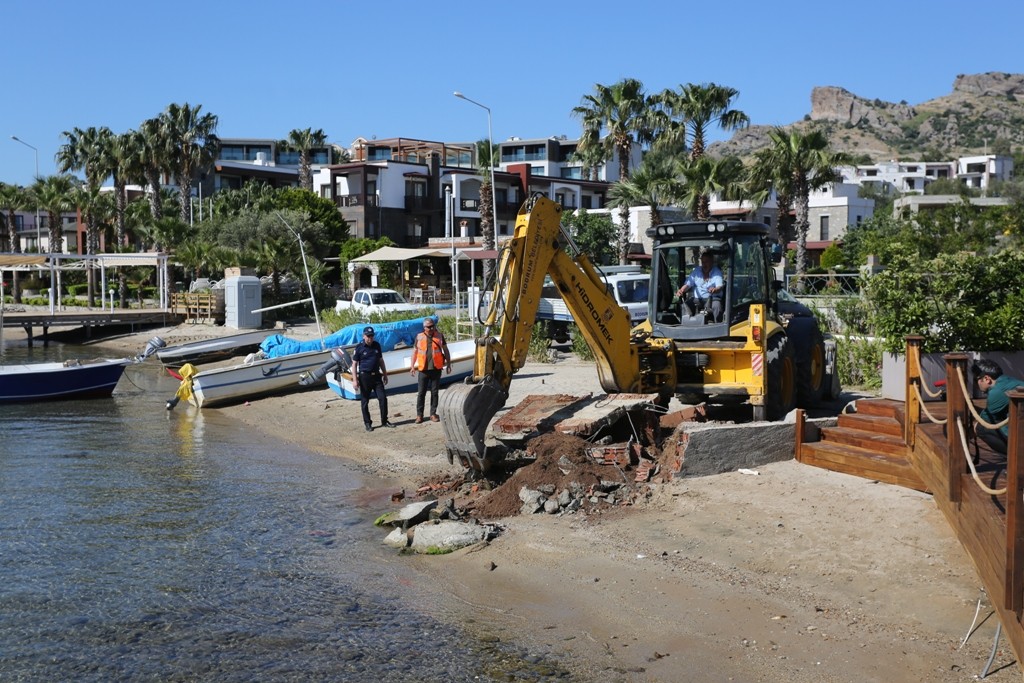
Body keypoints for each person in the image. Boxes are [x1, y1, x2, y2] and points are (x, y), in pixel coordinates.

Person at [972, 359, 1024, 455]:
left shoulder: (997, 392)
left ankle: (1017, 457)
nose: (976, 384)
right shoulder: (1008, 381)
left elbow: (985, 419)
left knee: (980, 428)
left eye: (976, 379)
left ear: (987, 379)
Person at [351, 326, 393, 431]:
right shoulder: (359, 347)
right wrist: (355, 380)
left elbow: (380, 360)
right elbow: (354, 364)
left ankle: (384, 420)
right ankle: (368, 423)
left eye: (372, 336)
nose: (370, 338)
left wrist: (385, 374)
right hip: (365, 376)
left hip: (377, 376)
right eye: (368, 336)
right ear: (364, 336)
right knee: (365, 401)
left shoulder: (376, 345)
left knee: (383, 398)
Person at [410, 318, 451, 423]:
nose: (432, 328)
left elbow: (445, 350)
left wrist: (449, 364)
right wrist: (412, 366)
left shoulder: (439, 336)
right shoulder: (419, 337)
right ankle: (419, 415)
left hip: (436, 369)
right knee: (421, 393)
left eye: (433, 326)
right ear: (424, 328)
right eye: (429, 327)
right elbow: (414, 352)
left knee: (434, 392)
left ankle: (433, 414)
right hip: (423, 369)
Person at [676, 251, 724, 321]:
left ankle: (718, 325)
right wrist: (682, 290)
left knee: (717, 306)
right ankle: (687, 325)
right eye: (703, 262)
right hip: (697, 299)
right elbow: (688, 284)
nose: (704, 265)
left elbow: (720, 286)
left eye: (706, 262)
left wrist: (715, 289)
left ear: (712, 262)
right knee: (685, 305)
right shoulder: (696, 271)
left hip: (713, 299)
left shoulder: (717, 272)